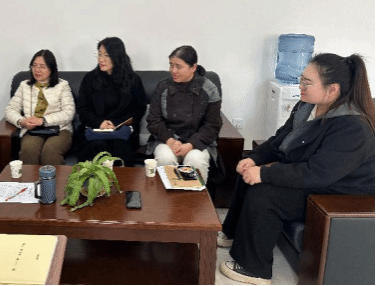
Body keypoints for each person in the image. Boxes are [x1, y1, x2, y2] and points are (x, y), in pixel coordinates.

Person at [218, 53, 375, 285]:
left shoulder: (352, 126)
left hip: (341, 191)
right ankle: (232, 233)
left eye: (307, 82)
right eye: (301, 79)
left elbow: (318, 173)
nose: (300, 86)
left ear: (332, 89)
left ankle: (255, 270)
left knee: (265, 193)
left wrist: (264, 174)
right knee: (248, 174)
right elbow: (279, 140)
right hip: (314, 176)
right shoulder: (306, 107)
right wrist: (255, 159)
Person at [146, 45, 222, 183]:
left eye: (178, 66)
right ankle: (166, 197)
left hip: (198, 142)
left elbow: (212, 125)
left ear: (193, 67)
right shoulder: (162, 87)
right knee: (165, 158)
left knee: (195, 160)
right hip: (167, 140)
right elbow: (153, 120)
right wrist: (170, 140)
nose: (173, 70)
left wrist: (191, 144)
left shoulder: (209, 89)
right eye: (171, 65)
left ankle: (193, 197)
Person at [76, 37, 147, 166]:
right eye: (99, 54)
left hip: (122, 131)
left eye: (106, 55)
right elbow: (83, 109)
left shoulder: (132, 79)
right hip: (95, 129)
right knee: (94, 149)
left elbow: (139, 109)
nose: (101, 59)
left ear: (117, 56)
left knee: (121, 149)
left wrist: (116, 123)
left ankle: (122, 179)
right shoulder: (89, 79)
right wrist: (100, 123)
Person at [5, 50, 75, 165]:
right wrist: (21, 121)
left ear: (51, 69)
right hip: (33, 130)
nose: (37, 70)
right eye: (34, 66)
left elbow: (69, 113)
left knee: (50, 152)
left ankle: (53, 178)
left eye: (42, 66)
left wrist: (43, 121)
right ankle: (31, 177)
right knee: (28, 151)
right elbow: (10, 109)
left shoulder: (62, 86)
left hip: (60, 129)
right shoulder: (24, 86)